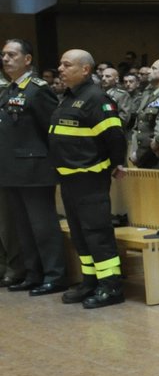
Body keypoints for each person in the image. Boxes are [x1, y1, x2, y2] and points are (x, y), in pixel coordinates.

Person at [48, 49, 127, 308]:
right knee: (80, 234)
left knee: (97, 233)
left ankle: (111, 286)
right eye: (60, 64)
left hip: (90, 177)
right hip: (69, 179)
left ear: (85, 70)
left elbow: (115, 137)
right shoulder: (68, 97)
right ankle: (90, 281)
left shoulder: (96, 98)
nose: (60, 68)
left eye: (67, 64)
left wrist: (112, 165)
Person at [0, 39, 68, 294]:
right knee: (23, 227)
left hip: (35, 169)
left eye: (11, 55)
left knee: (43, 226)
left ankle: (55, 275)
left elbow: (51, 130)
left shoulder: (38, 90)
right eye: (3, 55)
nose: (6, 59)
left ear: (27, 59)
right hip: (11, 170)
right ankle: (33, 273)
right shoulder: (10, 90)